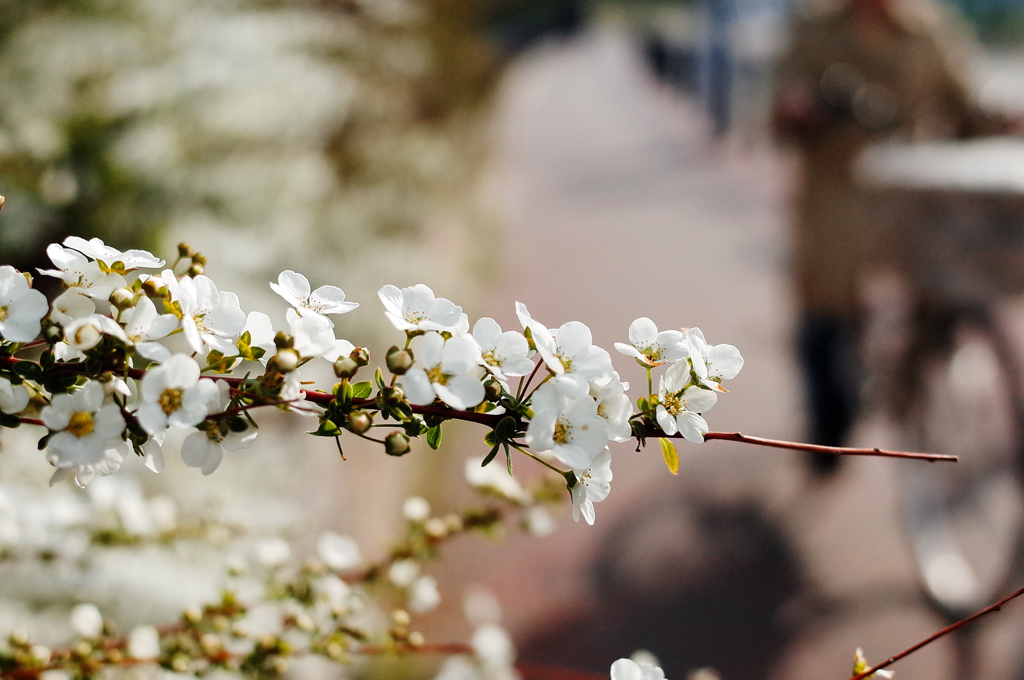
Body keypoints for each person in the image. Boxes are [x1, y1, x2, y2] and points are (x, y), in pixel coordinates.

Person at [772, 0, 1003, 473]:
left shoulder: (930, 30)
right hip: (836, 194)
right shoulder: (815, 29)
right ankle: (826, 426)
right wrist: (801, 111)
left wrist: (1002, 119)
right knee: (825, 305)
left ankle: (922, 371)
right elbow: (779, 115)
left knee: (946, 287)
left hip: (910, 197)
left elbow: (966, 106)